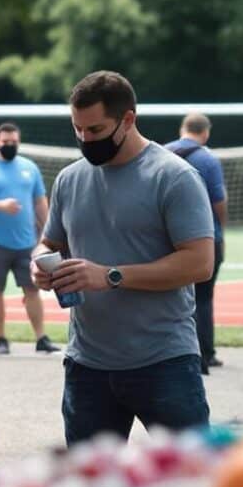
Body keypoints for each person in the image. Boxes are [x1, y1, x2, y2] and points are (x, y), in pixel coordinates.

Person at [32, 72, 217, 443]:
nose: (86, 139)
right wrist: (42, 264)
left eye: (96, 130)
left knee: (190, 484)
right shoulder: (70, 179)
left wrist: (111, 275)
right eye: (78, 130)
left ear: (128, 119)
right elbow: (48, 243)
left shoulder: (174, 176)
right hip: (87, 365)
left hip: (164, 362)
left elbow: (199, 263)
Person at [0, 122, 55, 355]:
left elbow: (39, 201)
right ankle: (2, 338)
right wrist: (0, 206)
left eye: (14, 142)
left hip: (26, 241)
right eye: (6, 142)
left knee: (32, 289)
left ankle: (41, 337)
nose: (10, 146)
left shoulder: (29, 168)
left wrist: (48, 230)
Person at [162, 112, 228, 372]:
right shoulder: (207, 159)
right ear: (206, 132)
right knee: (203, 298)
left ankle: (173, 353)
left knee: (172, 298)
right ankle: (204, 353)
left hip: (168, 240)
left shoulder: (162, 154)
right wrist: (220, 230)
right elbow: (218, 201)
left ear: (182, 129)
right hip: (204, 237)